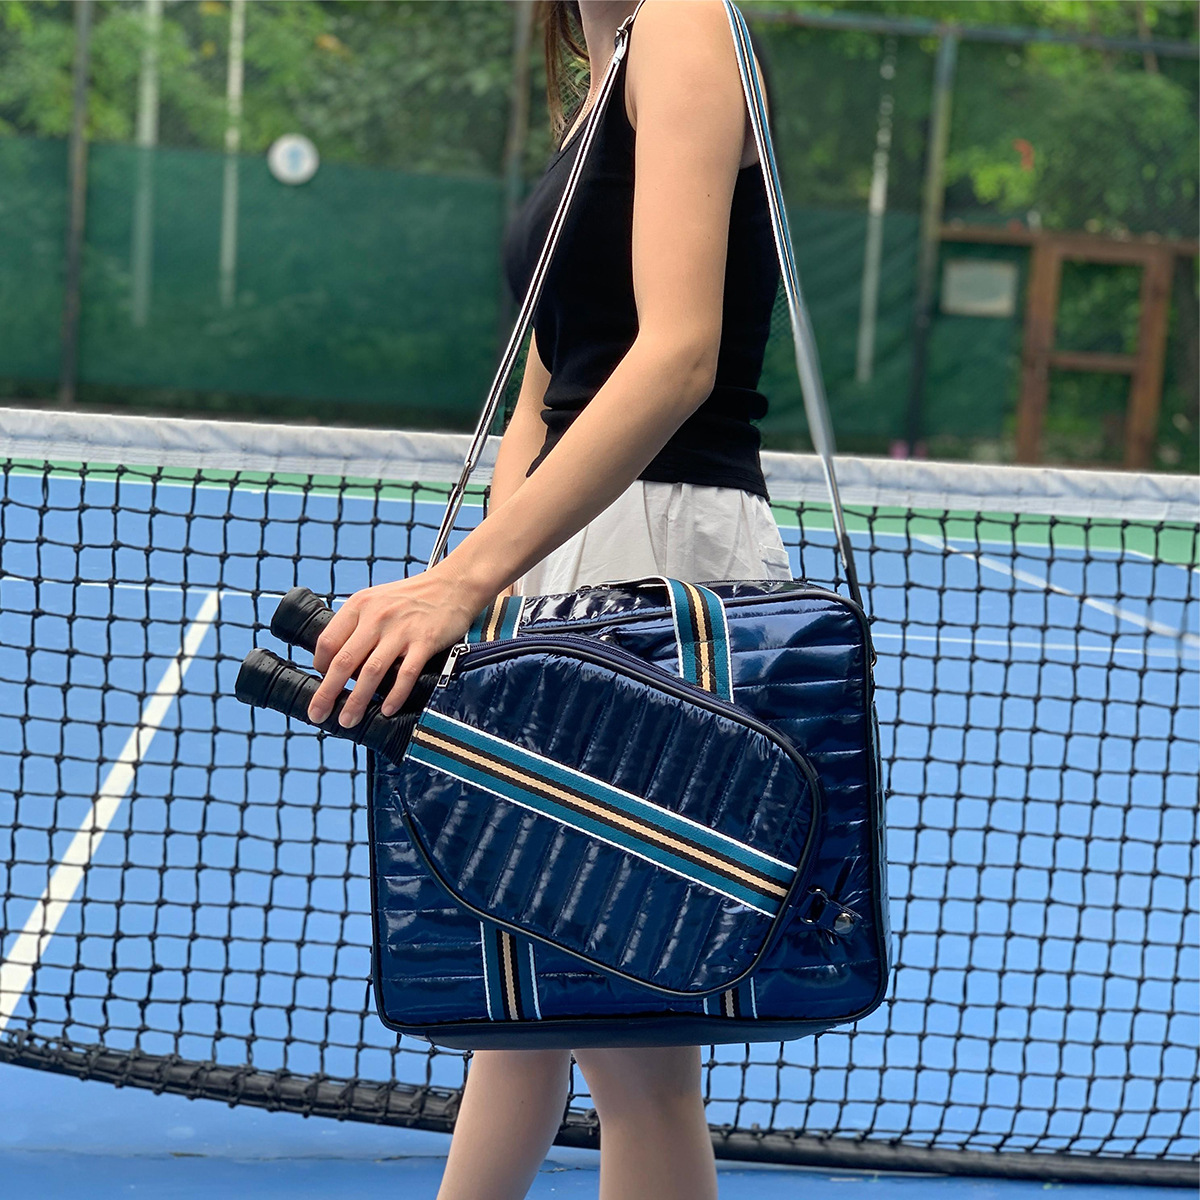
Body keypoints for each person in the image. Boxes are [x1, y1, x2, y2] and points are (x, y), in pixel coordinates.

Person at [305, 2, 790, 1195]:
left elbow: (677, 356)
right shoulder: (604, 71)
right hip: (562, 560)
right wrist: (491, 592)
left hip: (660, 555)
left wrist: (463, 580)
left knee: (634, 1058)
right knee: (514, 1013)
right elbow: (541, 396)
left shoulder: (685, 25)